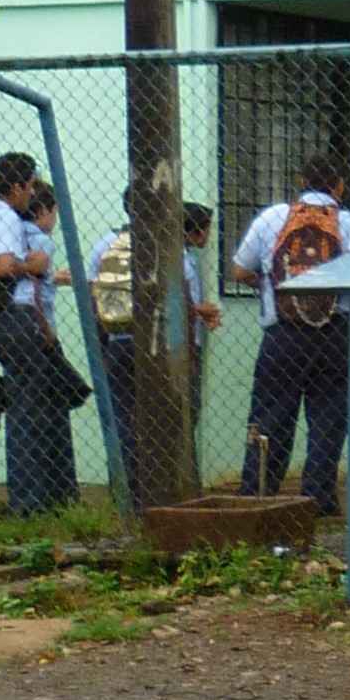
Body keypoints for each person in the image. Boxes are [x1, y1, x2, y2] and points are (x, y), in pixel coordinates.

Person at [230, 153, 350, 509]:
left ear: (301, 182)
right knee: (329, 417)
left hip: (282, 335)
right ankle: (318, 498)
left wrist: (276, 287)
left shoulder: (272, 217)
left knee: (271, 415)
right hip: (335, 334)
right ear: (339, 187)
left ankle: (258, 493)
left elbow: (239, 271)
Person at [0, 159, 89, 519]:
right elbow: (4, 267)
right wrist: (34, 266)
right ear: (18, 187)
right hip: (17, 319)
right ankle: (29, 502)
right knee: (30, 412)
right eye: (29, 186)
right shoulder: (8, 216)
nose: (30, 193)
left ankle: (48, 497)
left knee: (35, 404)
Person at [96, 202, 222, 505]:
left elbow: (94, 294)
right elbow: (182, 306)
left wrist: (103, 347)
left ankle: (127, 494)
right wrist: (189, 355)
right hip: (163, 345)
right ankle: (171, 494)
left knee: (126, 419)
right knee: (175, 419)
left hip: (119, 339)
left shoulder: (108, 243)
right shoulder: (174, 251)